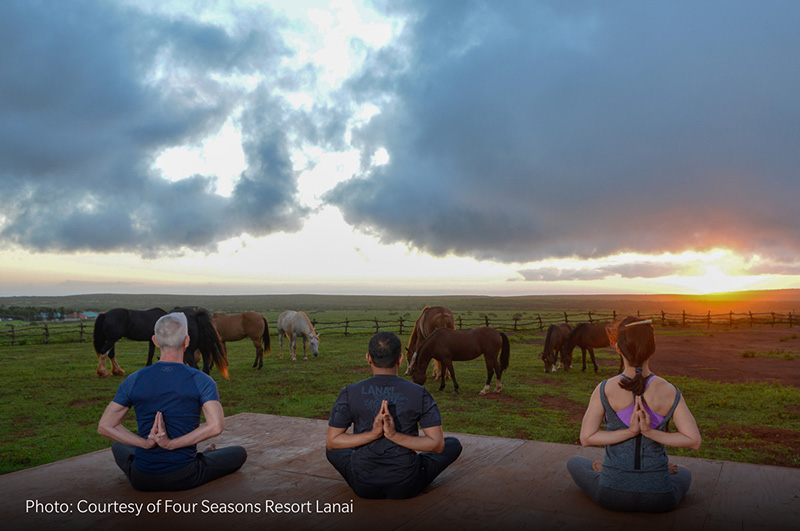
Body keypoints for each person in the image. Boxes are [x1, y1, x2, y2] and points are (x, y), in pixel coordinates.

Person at [98, 312, 247, 491]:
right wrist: (171, 444)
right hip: (184, 476)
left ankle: (184, 456)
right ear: (186, 342)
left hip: (141, 478)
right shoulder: (201, 380)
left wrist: (145, 443)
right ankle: (200, 457)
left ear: (154, 341)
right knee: (239, 453)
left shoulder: (134, 379)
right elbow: (215, 426)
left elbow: (105, 426)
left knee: (118, 445)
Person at [567, 317, 702, 512]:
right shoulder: (670, 391)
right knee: (685, 472)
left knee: (575, 462)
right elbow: (694, 441)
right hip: (661, 499)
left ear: (618, 348)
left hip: (611, 494)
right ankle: (663, 470)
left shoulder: (604, 389)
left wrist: (630, 432)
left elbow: (586, 438)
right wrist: (651, 433)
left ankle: (606, 468)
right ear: (652, 348)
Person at [326, 331, 462, 499]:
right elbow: (437, 445)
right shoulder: (419, 393)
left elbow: (332, 441)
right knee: (452, 444)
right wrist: (394, 436)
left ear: (368, 358)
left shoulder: (349, 392)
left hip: (363, 484)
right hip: (405, 484)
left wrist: (372, 435)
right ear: (400, 359)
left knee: (333, 450)